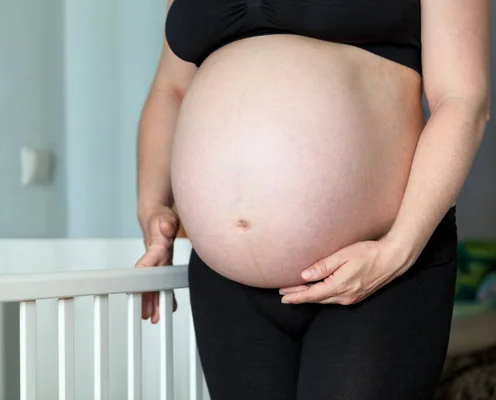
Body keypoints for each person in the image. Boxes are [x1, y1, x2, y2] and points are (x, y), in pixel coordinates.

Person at [136, 0, 491, 398]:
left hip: (375, 270)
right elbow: (171, 89)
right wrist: (153, 208)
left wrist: (397, 250)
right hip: (228, 287)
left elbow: (462, 99)